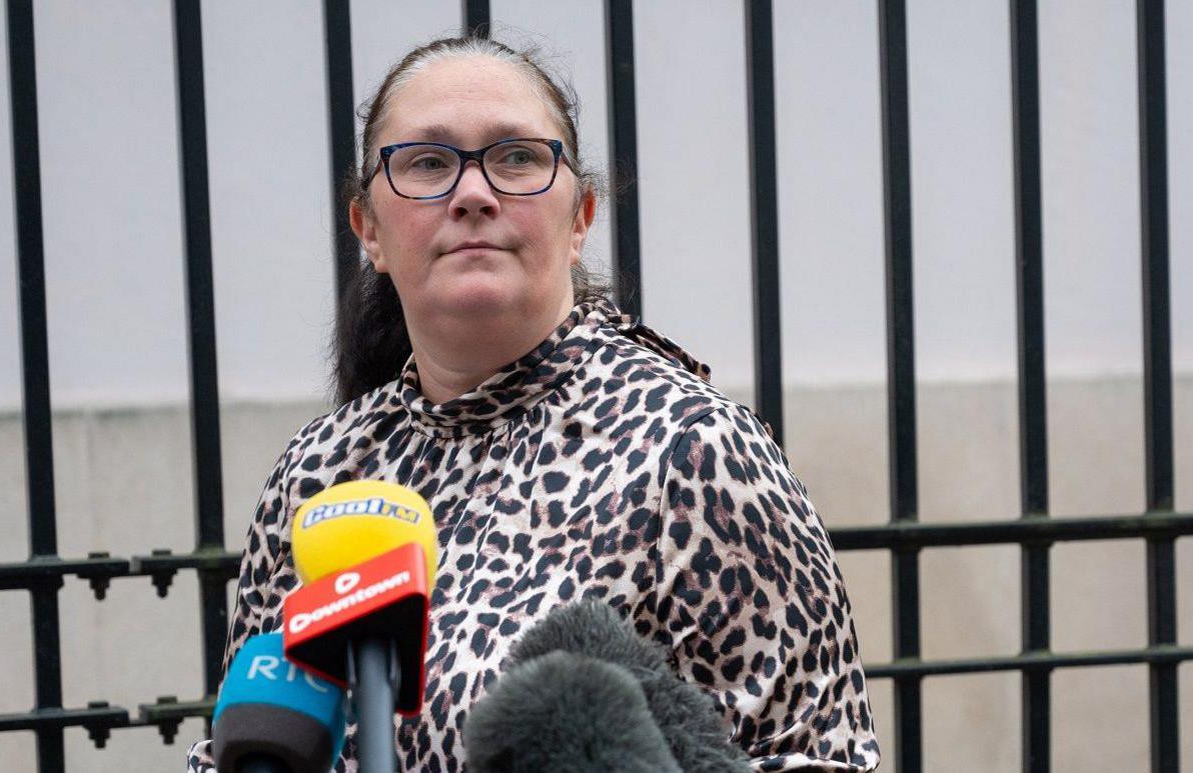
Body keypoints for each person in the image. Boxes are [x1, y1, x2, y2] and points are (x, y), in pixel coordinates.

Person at [187, 36, 879, 772]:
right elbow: (249, 739)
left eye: (516, 157)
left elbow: (825, 757)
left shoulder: (696, 451)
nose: (474, 192)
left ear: (580, 217)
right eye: (427, 162)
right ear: (369, 231)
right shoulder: (318, 470)